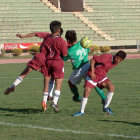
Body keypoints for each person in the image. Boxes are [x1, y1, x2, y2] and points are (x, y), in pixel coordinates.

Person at [4, 21, 68, 112]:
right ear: (59, 31)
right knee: (56, 82)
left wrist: (24, 36)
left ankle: (14, 85)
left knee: (26, 73)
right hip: (55, 61)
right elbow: (65, 54)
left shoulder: (47, 36)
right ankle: (52, 101)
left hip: (42, 59)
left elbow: (35, 33)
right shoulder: (61, 41)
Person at [73, 50, 126, 116]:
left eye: (120, 60)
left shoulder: (115, 63)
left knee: (111, 88)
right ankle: (81, 111)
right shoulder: (107, 57)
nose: (118, 60)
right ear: (115, 55)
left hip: (101, 76)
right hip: (93, 75)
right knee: (87, 91)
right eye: (118, 58)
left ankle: (106, 107)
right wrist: (92, 73)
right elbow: (92, 60)